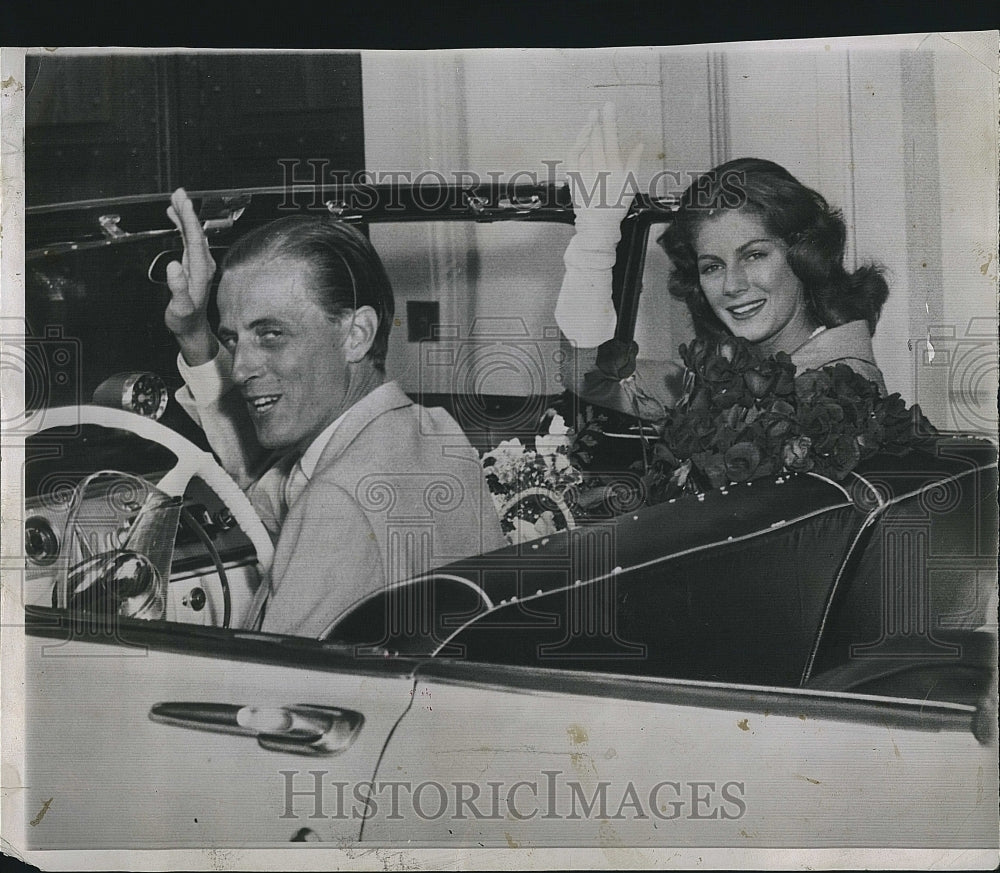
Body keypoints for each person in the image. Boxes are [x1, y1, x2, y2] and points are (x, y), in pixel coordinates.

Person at [164, 189, 506, 637]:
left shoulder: (336, 505)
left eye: (270, 334)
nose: (242, 367)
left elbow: (271, 698)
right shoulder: (432, 433)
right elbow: (271, 484)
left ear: (357, 334)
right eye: (232, 341)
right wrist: (194, 333)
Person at [555, 104, 889, 420]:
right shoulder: (720, 374)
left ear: (803, 254)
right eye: (712, 266)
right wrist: (596, 237)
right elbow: (584, 375)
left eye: (755, 255)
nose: (732, 285)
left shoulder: (844, 384)